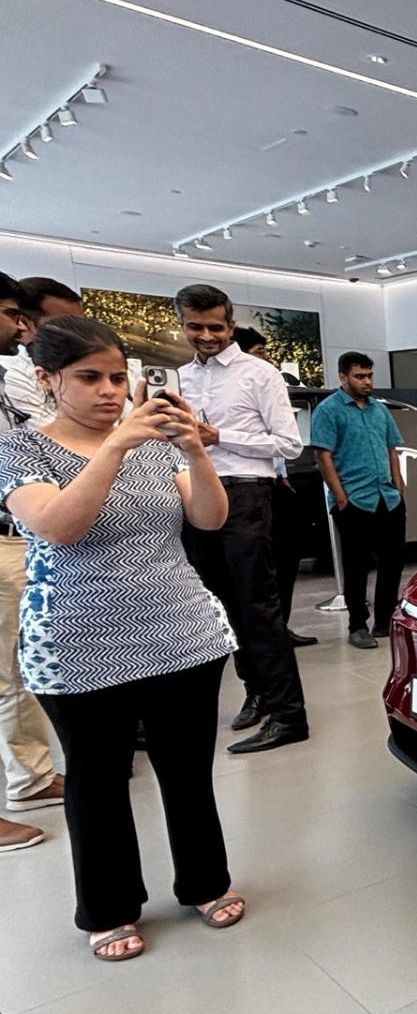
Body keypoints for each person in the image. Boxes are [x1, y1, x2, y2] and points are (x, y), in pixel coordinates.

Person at [0, 315, 248, 962]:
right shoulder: (20, 449)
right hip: (78, 643)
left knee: (188, 771)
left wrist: (193, 447)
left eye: (117, 376)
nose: (110, 391)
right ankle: (108, 908)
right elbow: (57, 526)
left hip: (182, 632)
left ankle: (203, 882)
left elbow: (209, 517)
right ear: (46, 379)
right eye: (89, 377)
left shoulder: (157, 444)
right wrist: (115, 446)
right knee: (98, 779)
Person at [173, 284, 306, 755]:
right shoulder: (178, 379)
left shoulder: (260, 373)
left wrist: (219, 436)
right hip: (192, 492)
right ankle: (258, 695)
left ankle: (290, 714)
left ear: (230, 325)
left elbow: (290, 445)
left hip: (247, 493)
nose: (206, 335)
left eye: (215, 326)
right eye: (196, 326)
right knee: (221, 606)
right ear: (183, 325)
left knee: (258, 604)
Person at [0, 275, 60, 854]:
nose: (22, 328)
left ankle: (32, 777)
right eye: (12, 314)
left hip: (13, 537)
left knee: (12, 672)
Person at [310, 353, 408, 651]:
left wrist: (399, 488)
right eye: (359, 376)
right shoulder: (329, 411)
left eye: (368, 375)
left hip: (387, 498)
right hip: (354, 501)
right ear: (343, 377)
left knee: (393, 562)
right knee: (357, 566)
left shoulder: (379, 410)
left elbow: (392, 448)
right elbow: (322, 456)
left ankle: (384, 620)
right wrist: (341, 498)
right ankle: (357, 625)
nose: (366, 381)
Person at [232, 327, 317, 650]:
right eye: (259, 352)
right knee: (257, 570)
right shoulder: (234, 395)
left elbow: (287, 444)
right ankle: (258, 635)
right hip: (244, 490)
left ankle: (281, 626)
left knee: (286, 561)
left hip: (278, 484)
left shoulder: (269, 387)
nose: (266, 359)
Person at [7, 277, 84, 429]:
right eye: (64, 325)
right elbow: (55, 439)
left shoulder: (82, 360)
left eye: (82, 324)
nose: (79, 333)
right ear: (23, 323)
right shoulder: (12, 373)